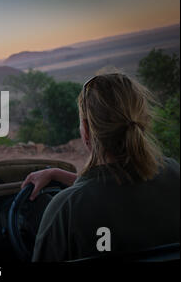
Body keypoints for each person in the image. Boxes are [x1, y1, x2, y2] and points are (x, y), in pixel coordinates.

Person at [21, 73, 180, 262]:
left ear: (87, 131)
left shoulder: (66, 210)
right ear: (144, 119)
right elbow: (119, 185)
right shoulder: (174, 173)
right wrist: (58, 174)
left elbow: (103, 190)